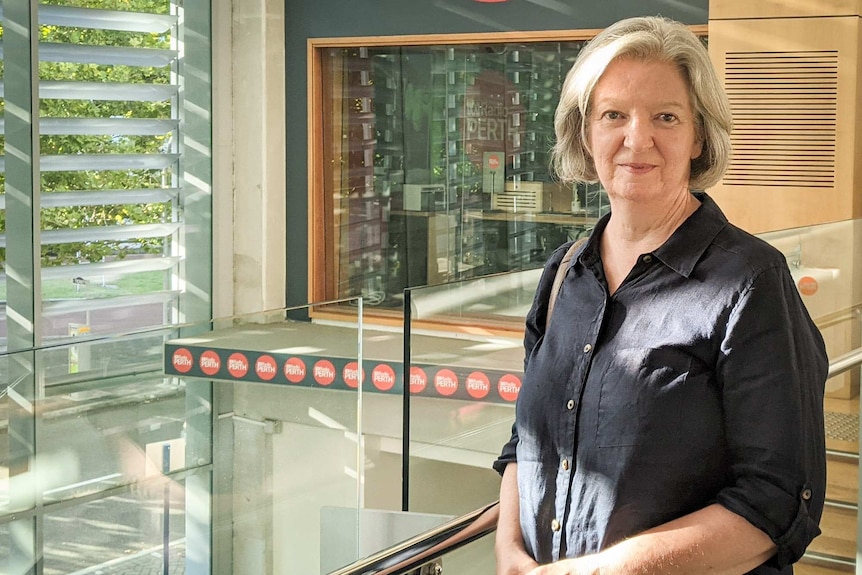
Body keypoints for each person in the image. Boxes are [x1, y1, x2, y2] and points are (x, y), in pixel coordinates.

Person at [493, 15, 828, 575]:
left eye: (666, 117)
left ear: (699, 136)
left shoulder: (751, 283)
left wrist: (595, 572)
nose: (637, 138)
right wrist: (509, 553)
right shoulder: (565, 272)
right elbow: (524, 444)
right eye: (613, 115)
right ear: (585, 132)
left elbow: (776, 502)